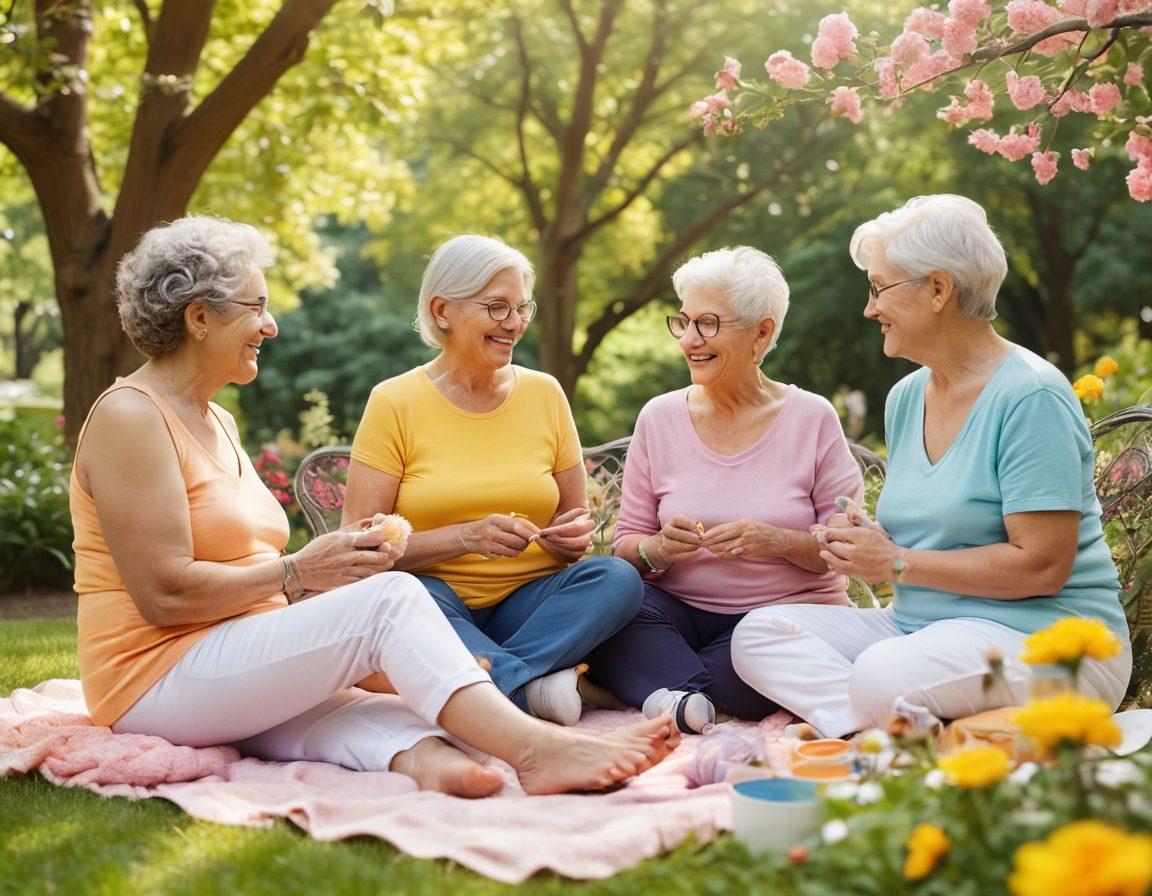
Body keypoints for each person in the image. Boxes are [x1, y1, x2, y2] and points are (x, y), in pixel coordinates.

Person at [72, 216, 677, 799]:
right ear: (199, 317)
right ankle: (538, 751)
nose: (271, 326)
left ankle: (436, 766)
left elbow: (250, 570)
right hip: (154, 675)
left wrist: (314, 590)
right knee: (392, 598)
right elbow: (165, 595)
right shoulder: (131, 417)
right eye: (256, 307)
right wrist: (300, 571)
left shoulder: (215, 419)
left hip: (230, 655)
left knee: (404, 723)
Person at [731, 195, 1132, 738]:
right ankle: (883, 733)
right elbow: (937, 533)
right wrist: (870, 540)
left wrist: (896, 562)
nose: (870, 309)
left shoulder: (1032, 395)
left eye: (879, 288)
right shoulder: (906, 397)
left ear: (939, 289)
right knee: (758, 634)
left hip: (1048, 642)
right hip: (919, 631)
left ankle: (889, 729)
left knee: (881, 673)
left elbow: (1042, 566)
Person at [341, 234, 645, 727]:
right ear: (442, 311)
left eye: (522, 308)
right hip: (435, 602)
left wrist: (571, 537)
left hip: (533, 608)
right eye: (497, 308)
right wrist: (464, 537)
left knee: (617, 579)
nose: (515, 323)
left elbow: (574, 515)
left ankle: (496, 680)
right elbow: (357, 545)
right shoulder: (394, 402)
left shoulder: (545, 394)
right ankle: (530, 686)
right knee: (403, 600)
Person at [586, 247, 865, 732]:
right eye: (684, 322)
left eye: (709, 324)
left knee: (760, 656)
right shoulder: (659, 417)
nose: (689, 339)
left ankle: (655, 691)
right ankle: (696, 700)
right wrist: (658, 549)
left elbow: (846, 548)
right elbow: (627, 545)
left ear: (762, 333)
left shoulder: (812, 418)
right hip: (674, 614)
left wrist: (776, 541)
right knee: (609, 604)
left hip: (777, 620)